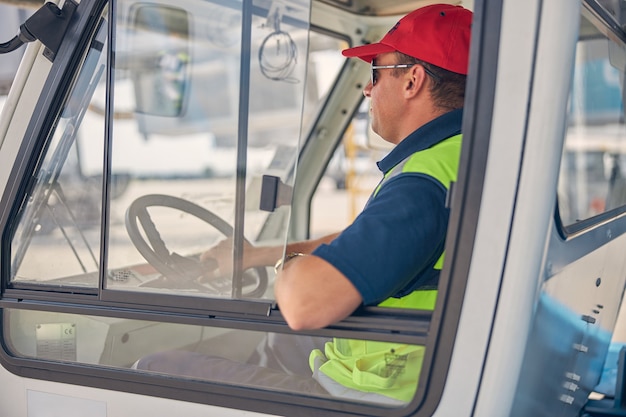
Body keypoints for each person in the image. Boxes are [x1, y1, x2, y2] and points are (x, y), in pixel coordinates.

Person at [136, 3, 472, 405]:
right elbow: (362, 240)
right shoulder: (459, 157)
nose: (368, 89)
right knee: (280, 339)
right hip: (430, 366)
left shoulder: (422, 184)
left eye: (375, 72)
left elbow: (303, 304)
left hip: (377, 394)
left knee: (154, 367)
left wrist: (288, 267)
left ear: (412, 80)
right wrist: (255, 255)